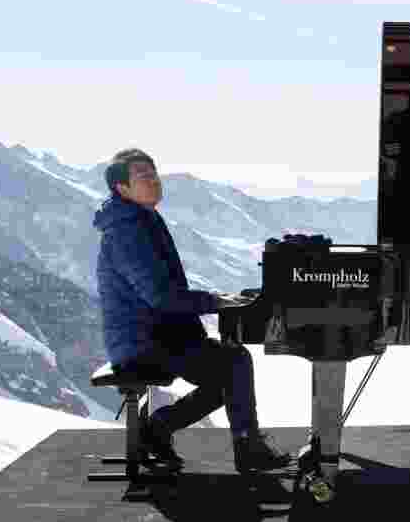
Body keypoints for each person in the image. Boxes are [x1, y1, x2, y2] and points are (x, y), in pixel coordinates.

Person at [93, 147, 291, 474]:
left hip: (158, 333)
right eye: (143, 176)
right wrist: (215, 301)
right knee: (234, 363)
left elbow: (164, 295)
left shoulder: (140, 219)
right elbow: (161, 297)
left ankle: (158, 430)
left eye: (154, 173)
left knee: (229, 370)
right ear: (121, 188)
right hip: (143, 341)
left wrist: (219, 300)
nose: (154, 181)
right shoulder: (127, 232)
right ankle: (247, 449)